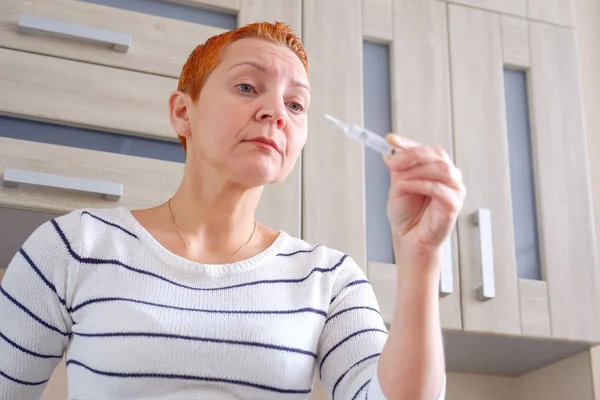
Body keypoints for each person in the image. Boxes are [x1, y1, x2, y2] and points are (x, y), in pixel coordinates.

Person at [0, 21, 464, 400]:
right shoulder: (73, 247)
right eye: (247, 86)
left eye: (296, 104)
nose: (276, 112)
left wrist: (422, 256)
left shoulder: (328, 279)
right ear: (183, 112)